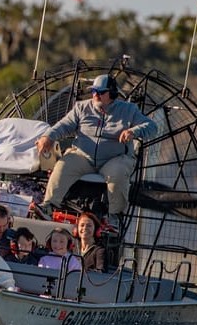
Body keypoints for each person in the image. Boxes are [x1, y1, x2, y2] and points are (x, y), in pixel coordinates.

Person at [33, 73, 158, 230]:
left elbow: (152, 127)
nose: (95, 95)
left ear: (112, 93)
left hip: (114, 158)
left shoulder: (129, 110)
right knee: (63, 165)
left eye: (100, 92)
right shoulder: (81, 107)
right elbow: (63, 125)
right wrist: (48, 137)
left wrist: (134, 131)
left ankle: (114, 217)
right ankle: (48, 206)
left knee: (118, 173)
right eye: (93, 91)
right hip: (83, 155)